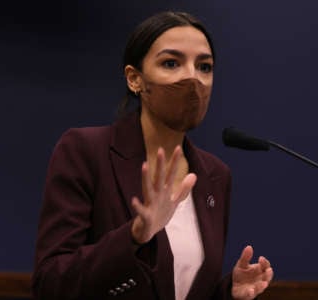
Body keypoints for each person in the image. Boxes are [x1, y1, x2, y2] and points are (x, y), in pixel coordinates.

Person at [32, 11, 274, 300]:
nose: (192, 77)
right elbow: (50, 284)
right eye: (171, 63)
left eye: (204, 66)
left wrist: (228, 293)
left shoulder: (215, 174)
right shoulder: (85, 151)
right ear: (134, 79)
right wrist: (133, 235)